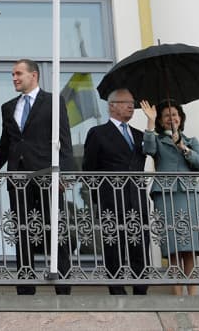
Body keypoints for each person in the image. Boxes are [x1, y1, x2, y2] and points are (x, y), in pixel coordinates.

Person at [0, 59, 75, 295]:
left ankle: (63, 285)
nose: (14, 78)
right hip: (19, 179)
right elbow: (6, 146)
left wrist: (65, 173)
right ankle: (25, 287)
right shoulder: (8, 107)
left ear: (34, 75)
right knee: (23, 230)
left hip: (47, 176)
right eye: (12, 74)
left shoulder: (53, 101)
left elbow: (65, 140)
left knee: (55, 230)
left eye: (18, 73)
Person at [83, 88, 151, 295]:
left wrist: (151, 123)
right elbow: (89, 169)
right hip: (111, 199)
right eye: (125, 102)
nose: (131, 106)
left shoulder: (140, 135)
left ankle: (141, 291)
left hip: (136, 200)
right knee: (114, 247)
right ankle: (117, 291)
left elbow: (150, 151)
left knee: (140, 246)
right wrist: (97, 201)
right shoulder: (98, 133)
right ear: (111, 105)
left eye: (132, 102)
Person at [140, 98, 199, 296]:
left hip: (188, 195)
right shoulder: (159, 140)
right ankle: (178, 295)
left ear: (181, 118)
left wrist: (183, 148)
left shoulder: (191, 141)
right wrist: (150, 122)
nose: (172, 118)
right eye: (167, 115)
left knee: (190, 247)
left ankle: (192, 296)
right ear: (162, 121)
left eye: (175, 115)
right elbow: (148, 149)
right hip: (166, 195)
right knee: (173, 247)